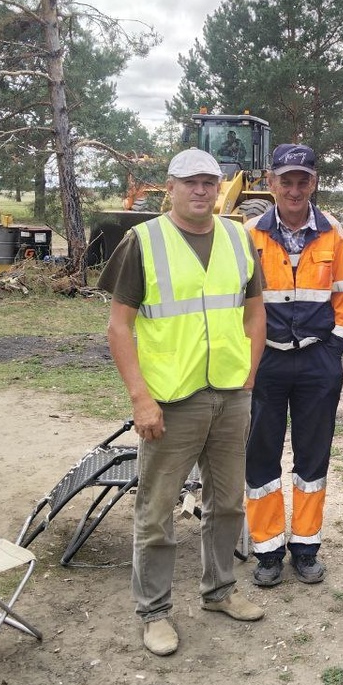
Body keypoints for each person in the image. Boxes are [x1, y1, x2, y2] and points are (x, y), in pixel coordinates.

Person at [99, 147, 267, 657]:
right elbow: (119, 327)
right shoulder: (143, 241)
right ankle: (154, 612)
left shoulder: (238, 237)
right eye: (190, 182)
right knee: (157, 511)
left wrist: (249, 376)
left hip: (230, 395)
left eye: (209, 182)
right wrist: (141, 399)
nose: (201, 190)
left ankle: (220, 591)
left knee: (228, 502)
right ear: (169, 187)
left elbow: (254, 313)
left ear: (219, 188)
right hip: (171, 401)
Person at [244, 144, 343, 587]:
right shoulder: (249, 234)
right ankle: (268, 551)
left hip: (316, 361)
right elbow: (239, 301)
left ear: (314, 183)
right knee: (260, 456)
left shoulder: (333, 233)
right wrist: (248, 356)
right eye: (285, 181)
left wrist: (334, 349)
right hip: (266, 361)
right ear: (271, 183)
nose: (294, 190)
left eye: (302, 181)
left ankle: (306, 547)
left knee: (313, 456)